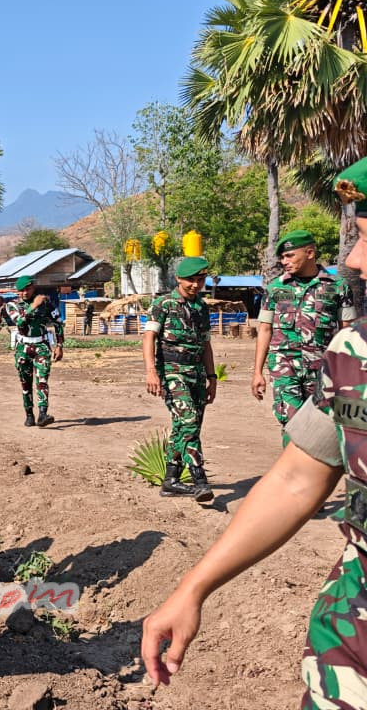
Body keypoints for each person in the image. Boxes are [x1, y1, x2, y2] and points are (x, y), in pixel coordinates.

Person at [141, 156, 367, 708]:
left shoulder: (335, 306)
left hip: (230, 371)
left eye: (366, 238)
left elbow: (207, 342)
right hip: (352, 635)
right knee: (204, 426)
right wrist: (193, 587)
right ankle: (182, 475)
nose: (355, 260)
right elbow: (295, 476)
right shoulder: (356, 354)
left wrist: (211, 372)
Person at [251, 229, 356, 437]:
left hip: (322, 367)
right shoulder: (275, 288)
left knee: (319, 427)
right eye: (282, 257)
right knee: (291, 423)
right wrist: (257, 372)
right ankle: (292, 459)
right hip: (284, 366)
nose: (284, 261)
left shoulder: (338, 287)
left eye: (290, 255)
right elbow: (264, 329)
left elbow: (348, 332)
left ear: (309, 253)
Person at [143, 257, 216, 503]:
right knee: (189, 421)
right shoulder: (163, 304)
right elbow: (149, 337)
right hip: (172, 371)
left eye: (200, 280)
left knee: (184, 427)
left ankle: (171, 480)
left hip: (196, 373)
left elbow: (206, 344)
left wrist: (212, 377)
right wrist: (151, 371)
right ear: (178, 279)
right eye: (190, 280)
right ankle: (200, 480)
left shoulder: (202, 307)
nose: (195, 285)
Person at [4, 276, 64, 426]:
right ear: (17, 291)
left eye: (28, 289)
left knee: (42, 380)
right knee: (26, 383)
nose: (25, 293)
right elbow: (19, 322)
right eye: (21, 290)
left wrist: (59, 345)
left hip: (41, 346)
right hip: (22, 348)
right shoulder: (12, 305)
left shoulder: (45, 303)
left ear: (33, 288)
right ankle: (29, 414)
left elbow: (58, 322)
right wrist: (33, 306)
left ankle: (43, 414)